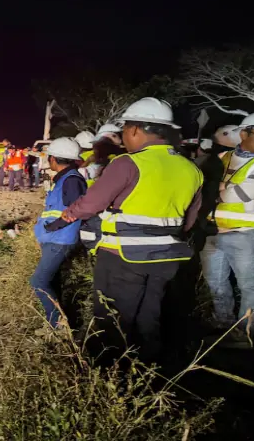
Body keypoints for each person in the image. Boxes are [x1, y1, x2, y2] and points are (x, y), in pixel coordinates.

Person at [61, 97, 203, 361]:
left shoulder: (128, 163)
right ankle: (147, 364)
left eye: (125, 129)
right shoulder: (191, 168)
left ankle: (110, 369)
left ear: (135, 129)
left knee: (113, 317)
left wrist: (69, 213)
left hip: (122, 257)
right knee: (150, 313)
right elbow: (190, 219)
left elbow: (91, 203)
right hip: (167, 258)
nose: (124, 136)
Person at [201, 112, 254, 347]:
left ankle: (245, 333)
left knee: (249, 285)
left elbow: (240, 194)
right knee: (216, 283)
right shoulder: (222, 157)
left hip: (247, 234)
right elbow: (202, 187)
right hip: (212, 232)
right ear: (243, 133)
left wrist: (217, 190)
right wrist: (224, 190)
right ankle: (223, 322)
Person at [30, 138, 87, 327]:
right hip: (55, 238)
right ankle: (59, 318)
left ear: (53, 159)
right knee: (51, 280)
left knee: (38, 281)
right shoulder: (66, 178)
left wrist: (52, 227)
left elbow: (77, 208)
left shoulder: (70, 180)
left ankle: (57, 323)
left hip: (60, 240)